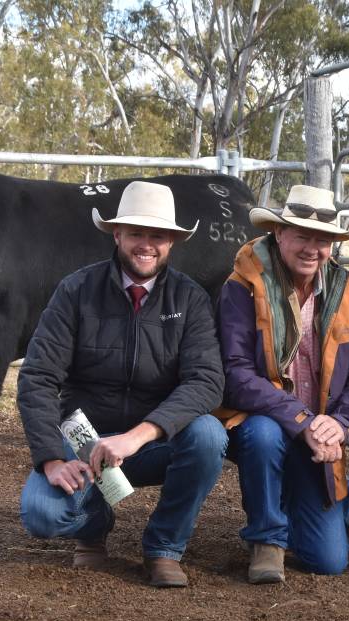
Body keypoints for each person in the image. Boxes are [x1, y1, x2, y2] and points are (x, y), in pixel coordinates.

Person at [16, 181, 227, 588]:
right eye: (136, 233)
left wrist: (137, 436)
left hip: (151, 442)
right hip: (83, 440)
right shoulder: (76, 291)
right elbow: (38, 376)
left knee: (208, 436)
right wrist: (50, 459)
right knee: (41, 514)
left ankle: (164, 546)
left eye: (158, 235)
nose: (146, 244)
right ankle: (93, 522)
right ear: (117, 235)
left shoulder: (190, 299)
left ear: (172, 243)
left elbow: (206, 381)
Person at [217, 184, 349, 582]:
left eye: (322, 239)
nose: (312, 248)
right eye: (303, 236)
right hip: (266, 422)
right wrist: (303, 419)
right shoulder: (242, 285)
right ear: (279, 233)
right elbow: (235, 373)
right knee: (261, 433)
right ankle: (267, 538)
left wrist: (339, 425)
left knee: (328, 561)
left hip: (320, 431)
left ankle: (334, 495)